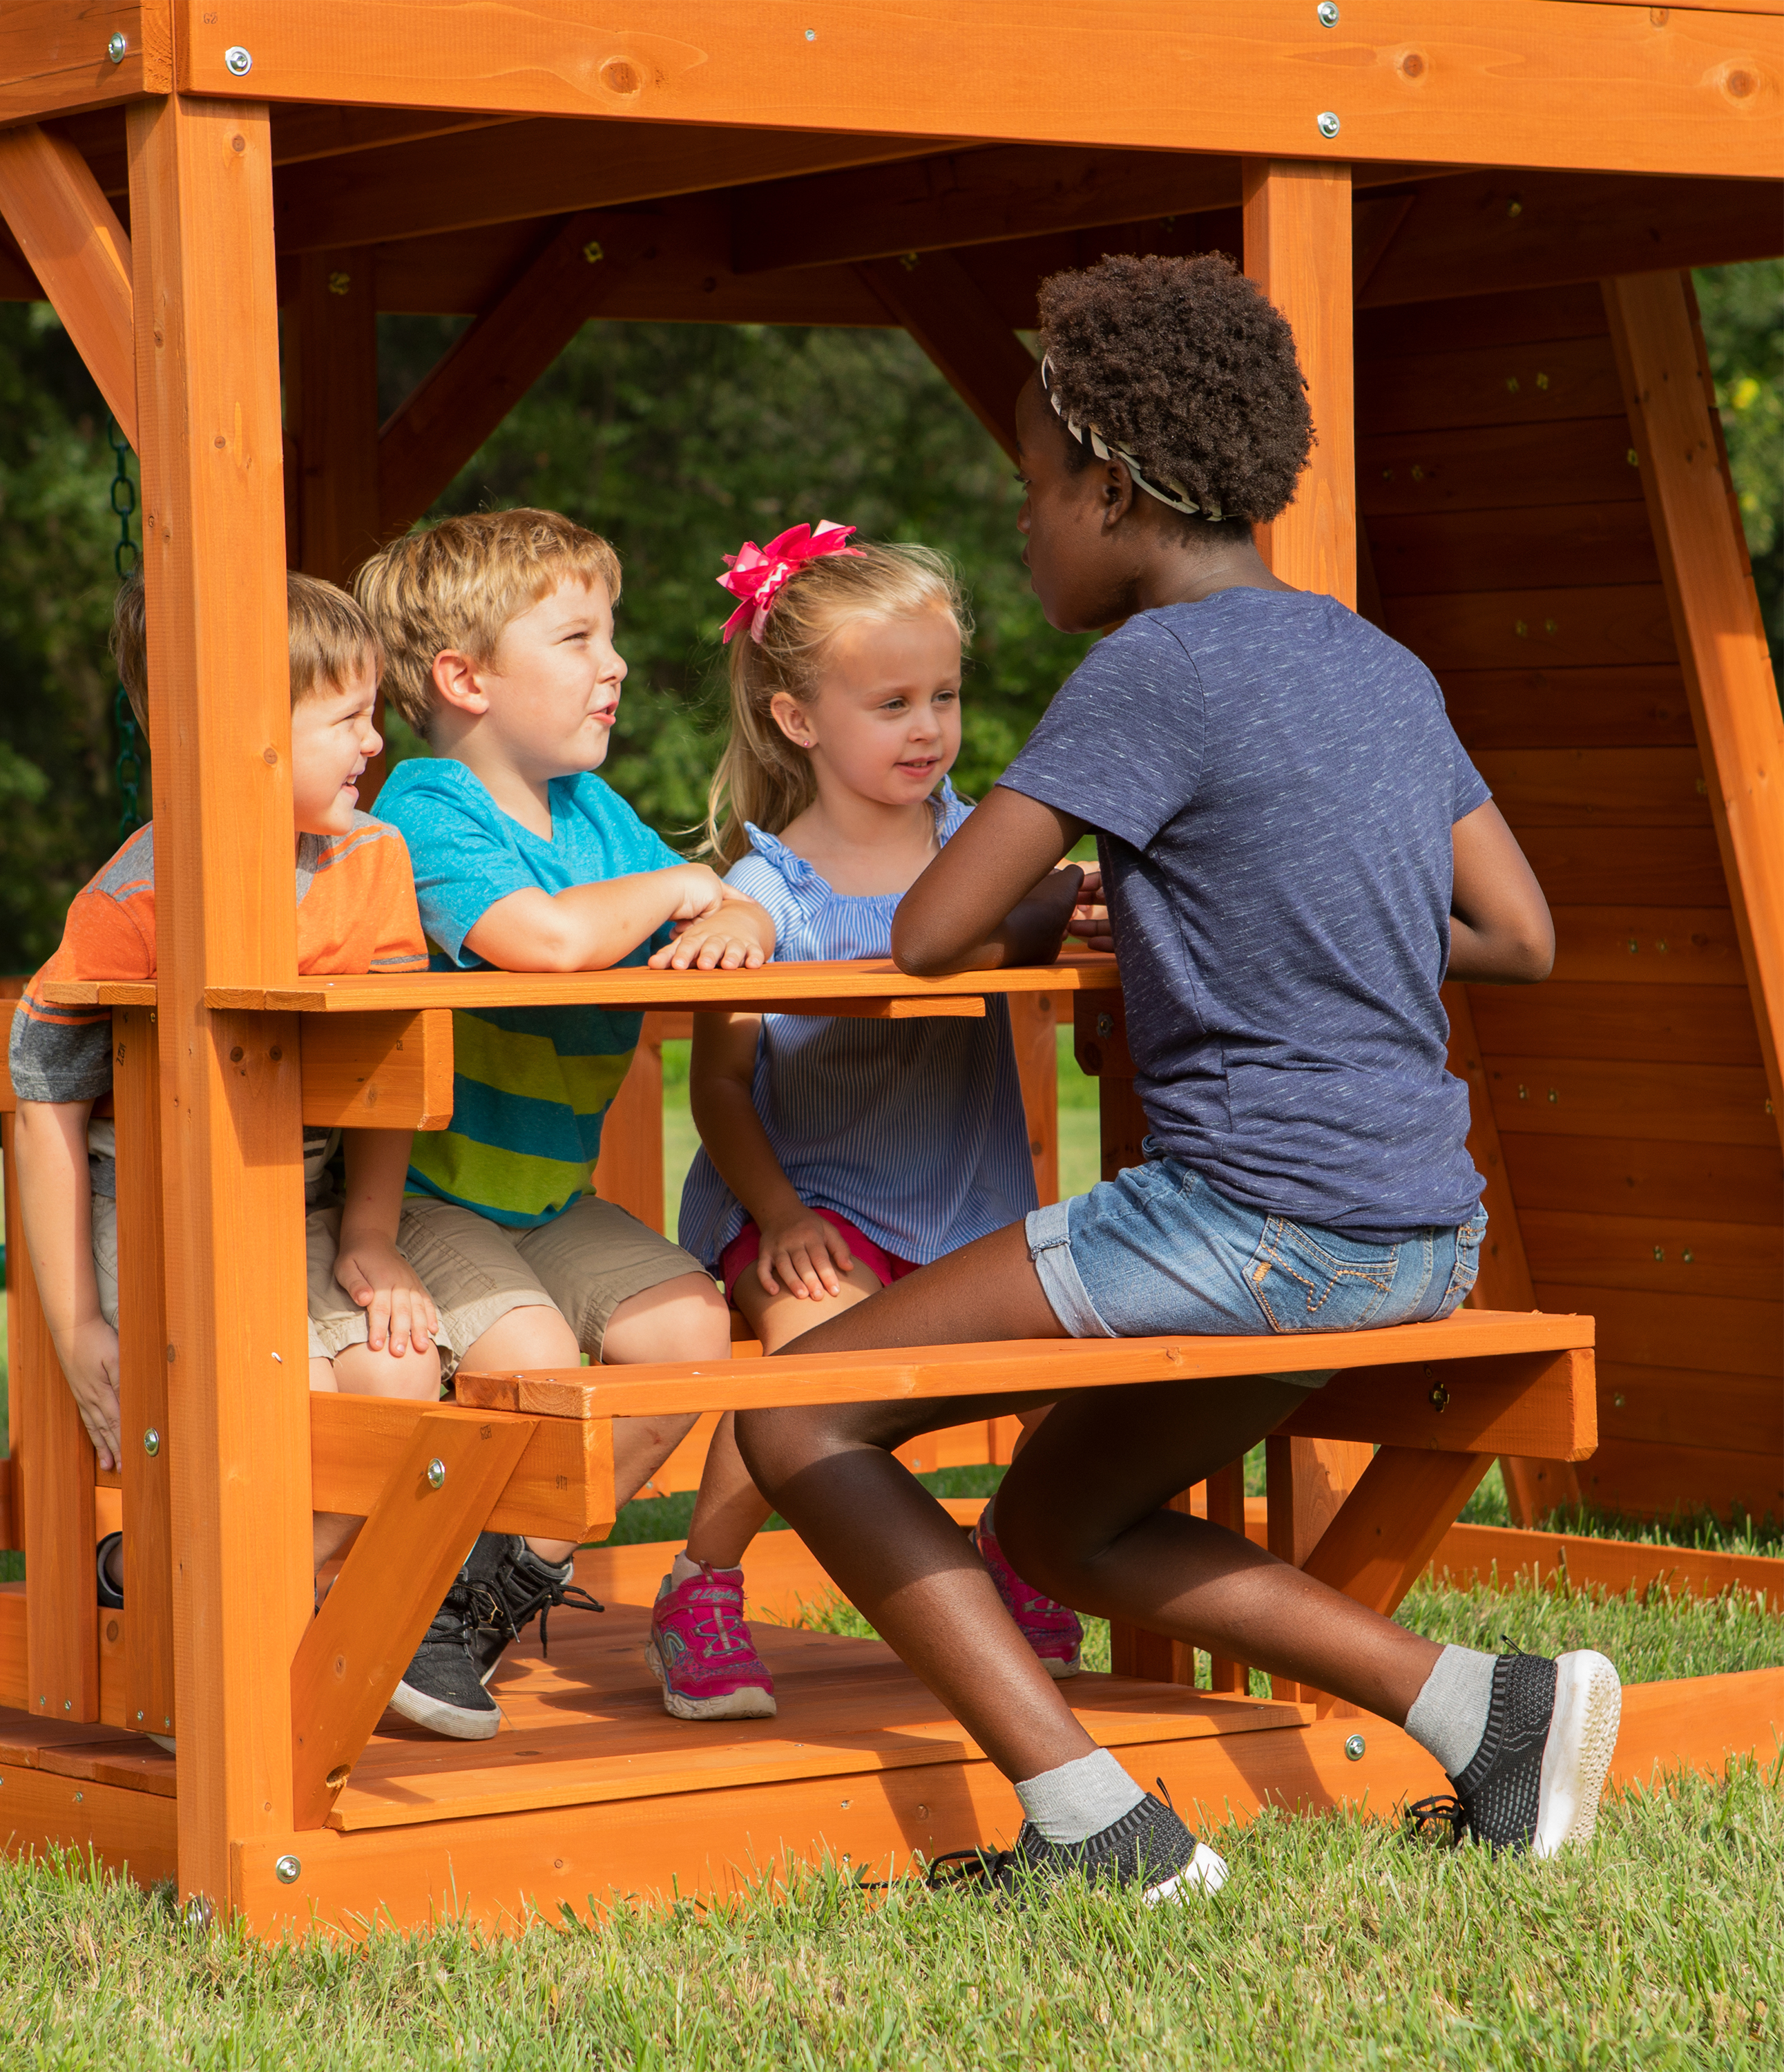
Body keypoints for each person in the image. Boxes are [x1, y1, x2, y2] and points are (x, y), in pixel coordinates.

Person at [733, 253, 1621, 1900]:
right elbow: (1516, 934)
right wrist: (1243, 918)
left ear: (1113, 487)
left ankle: (1098, 1827)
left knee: (794, 1416)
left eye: (1029, 492)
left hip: (1252, 1217)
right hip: (1418, 1224)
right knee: (1062, 1531)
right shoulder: (1371, 660)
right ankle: (1486, 1711)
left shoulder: (1146, 673)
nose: (1021, 529)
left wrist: (1106, 905)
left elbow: (930, 928)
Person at [356, 508, 777, 1741]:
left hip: (545, 1197)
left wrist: (737, 912)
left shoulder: (593, 815)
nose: (619, 665)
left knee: (694, 1330)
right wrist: (694, 885)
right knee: (535, 1359)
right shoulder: (425, 812)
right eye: (580, 637)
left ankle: (489, 1590)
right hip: (426, 1193)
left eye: (615, 633)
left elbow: (702, 911)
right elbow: (538, 944)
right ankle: (406, 1601)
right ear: (464, 678)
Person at [654, 521, 1081, 1725]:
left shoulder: (981, 850)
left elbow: (1050, 908)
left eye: (943, 695)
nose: (929, 728)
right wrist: (779, 1215)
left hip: (971, 1206)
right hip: (816, 1214)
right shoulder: (763, 891)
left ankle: (1022, 1551)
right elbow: (721, 1087)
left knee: (1073, 1370)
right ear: (799, 720)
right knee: (808, 1376)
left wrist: (1080, 908)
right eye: (891, 701)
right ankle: (702, 1583)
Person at [11, 572, 445, 1645]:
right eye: (347, 719)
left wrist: (371, 1236)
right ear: (238, 736)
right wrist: (77, 1326)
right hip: (158, 1206)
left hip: (301, 1204)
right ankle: (228, 1653)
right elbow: (45, 1104)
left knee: (400, 1376)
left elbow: (389, 1060)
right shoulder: (130, 902)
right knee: (271, 1383)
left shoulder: (371, 859)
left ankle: (224, 1609)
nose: (376, 745)